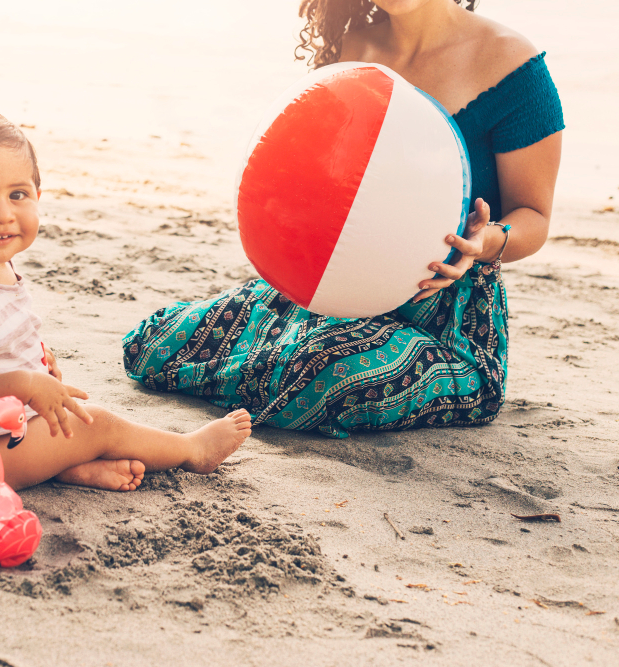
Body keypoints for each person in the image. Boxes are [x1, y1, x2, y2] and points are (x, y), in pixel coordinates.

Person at [122, 0, 563, 437]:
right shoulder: (352, 47)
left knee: (319, 376)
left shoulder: (512, 64)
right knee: (156, 344)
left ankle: (272, 379)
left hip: (444, 313)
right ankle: (267, 376)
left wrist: (486, 241)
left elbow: (535, 216)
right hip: (332, 290)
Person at [0, 109, 252, 491]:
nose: (2, 214)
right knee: (95, 424)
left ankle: (68, 469)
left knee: (68, 427)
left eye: (17, 194)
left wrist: (31, 356)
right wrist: (25, 382)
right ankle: (191, 450)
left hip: (5, 430)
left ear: (37, 196)